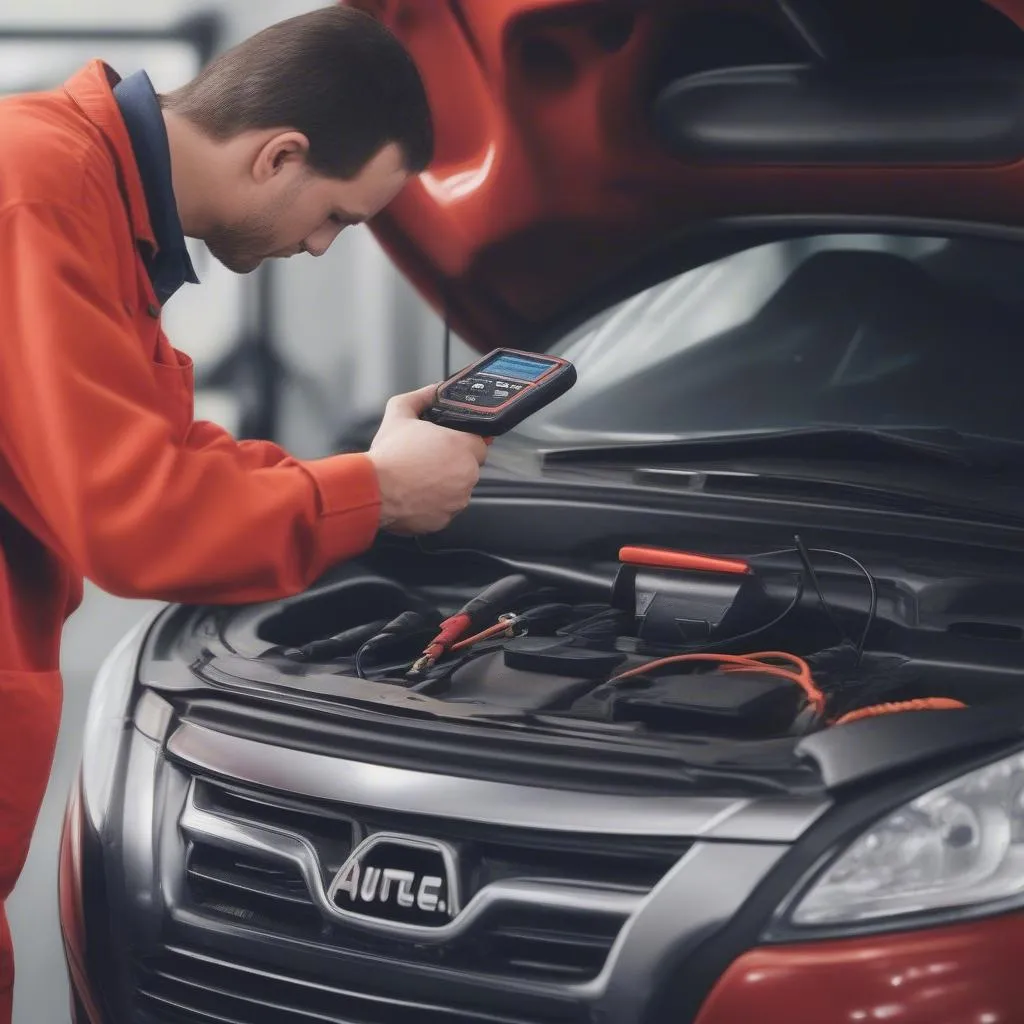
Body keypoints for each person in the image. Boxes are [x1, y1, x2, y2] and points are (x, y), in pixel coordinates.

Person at [0, 7, 488, 1019]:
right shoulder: (35, 185)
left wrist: (357, 473)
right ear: (279, 155)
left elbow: (157, 452)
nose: (320, 247)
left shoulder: (85, 192)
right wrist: (380, 491)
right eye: (338, 217)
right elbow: (133, 517)